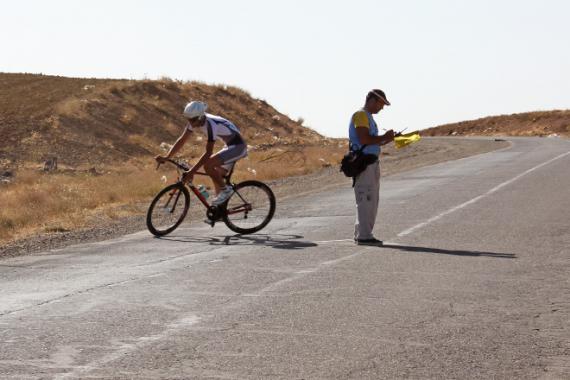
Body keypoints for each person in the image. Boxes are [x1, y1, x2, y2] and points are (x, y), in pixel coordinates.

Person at [155, 101, 248, 206]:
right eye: (188, 120)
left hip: (238, 147)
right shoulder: (194, 120)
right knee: (217, 174)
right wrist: (167, 157)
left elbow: (208, 153)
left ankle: (226, 190)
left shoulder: (211, 124)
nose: (190, 123)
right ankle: (219, 210)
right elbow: (182, 140)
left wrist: (191, 172)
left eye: (192, 120)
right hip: (229, 146)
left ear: (200, 117)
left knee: (208, 165)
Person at [348, 89, 396, 246]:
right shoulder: (361, 115)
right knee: (366, 198)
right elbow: (364, 139)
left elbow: (372, 140)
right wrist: (384, 137)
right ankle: (364, 235)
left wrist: (388, 139)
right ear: (373, 100)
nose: (382, 108)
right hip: (365, 163)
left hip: (371, 162)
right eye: (381, 104)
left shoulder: (368, 117)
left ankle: (362, 233)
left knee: (370, 199)